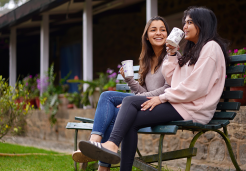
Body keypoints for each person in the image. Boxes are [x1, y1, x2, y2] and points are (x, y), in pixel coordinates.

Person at [78, 6, 230, 171]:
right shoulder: (194, 49)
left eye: (189, 22)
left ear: (202, 24)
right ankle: (114, 152)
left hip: (193, 108)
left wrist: (162, 98)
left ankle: (111, 144)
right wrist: (172, 55)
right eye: (185, 22)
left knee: (129, 103)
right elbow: (175, 79)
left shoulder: (211, 48)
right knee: (130, 118)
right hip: (182, 104)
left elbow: (196, 87)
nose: (184, 26)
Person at [72, 16, 172, 171]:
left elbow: (168, 88)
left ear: (168, 34)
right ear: (147, 36)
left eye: (163, 30)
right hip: (145, 102)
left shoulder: (172, 57)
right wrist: (130, 80)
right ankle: (102, 165)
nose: (158, 33)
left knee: (108, 96)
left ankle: (93, 145)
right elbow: (144, 92)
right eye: (153, 30)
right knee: (114, 108)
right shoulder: (146, 60)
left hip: (161, 106)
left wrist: (133, 99)